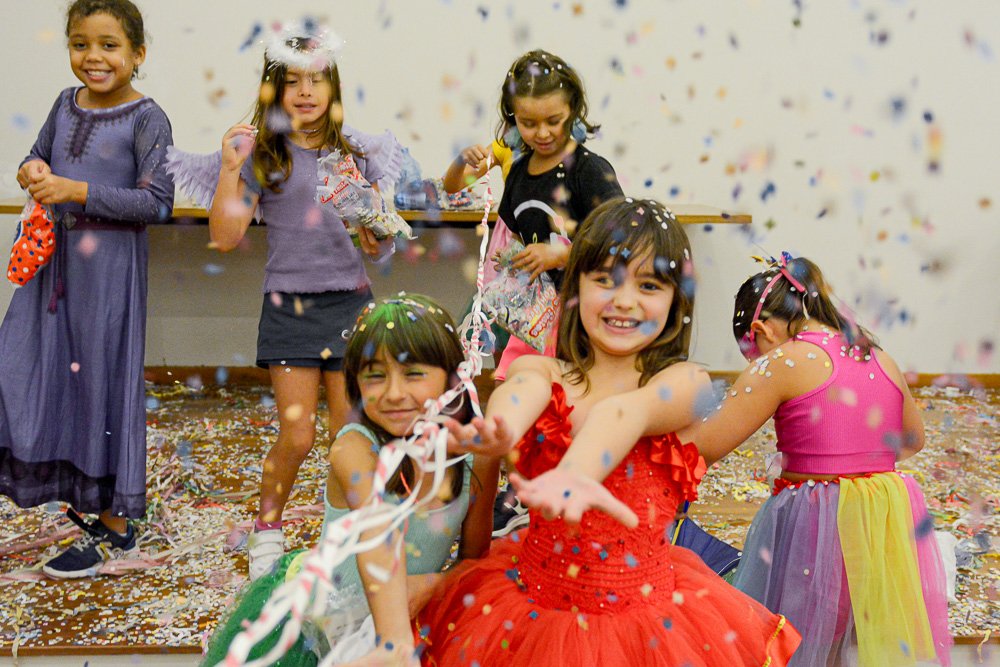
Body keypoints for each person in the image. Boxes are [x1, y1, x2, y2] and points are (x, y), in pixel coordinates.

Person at [415, 198, 801, 666]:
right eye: (604, 279)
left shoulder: (685, 382)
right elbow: (521, 390)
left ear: (675, 300)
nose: (624, 300)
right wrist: (502, 427)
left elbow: (625, 413)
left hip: (648, 629)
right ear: (575, 286)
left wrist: (576, 473)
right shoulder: (543, 371)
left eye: (648, 285)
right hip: (536, 614)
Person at [207, 22, 404, 579]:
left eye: (316, 80)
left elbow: (382, 242)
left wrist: (379, 239)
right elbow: (225, 236)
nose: (305, 91)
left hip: (351, 307)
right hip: (289, 309)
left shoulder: (355, 153)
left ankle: (346, 531)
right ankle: (267, 529)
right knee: (297, 434)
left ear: (333, 87)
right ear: (275, 91)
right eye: (292, 82)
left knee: (349, 435)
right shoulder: (265, 156)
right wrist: (228, 169)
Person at [687, 254, 949, 666]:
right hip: (881, 524)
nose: (754, 363)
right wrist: (853, 457)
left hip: (817, 523)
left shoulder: (783, 361)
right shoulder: (877, 355)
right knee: (841, 639)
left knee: (797, 638)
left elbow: (704, 445)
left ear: (761, 331)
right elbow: (913, 439)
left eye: (751, 353)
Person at [201, 294, 478, 667]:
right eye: (375, 375)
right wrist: (394, 639)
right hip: (313, 630)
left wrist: (431, 585)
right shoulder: (353, 449)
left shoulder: (474, 459)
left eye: (413, 373)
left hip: (410, 619)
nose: (394, 393)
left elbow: (475, 562)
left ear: (452, 377)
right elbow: (379, 531)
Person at [0, 0, 173, 578]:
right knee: (34, 368)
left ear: (137, 54)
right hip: (56, 267)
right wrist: (30, 170)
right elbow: (37, 156)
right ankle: (75, 493)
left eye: (108, 45)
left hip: (109, 273)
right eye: (80, 44)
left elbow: (156, 203)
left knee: (102, 381)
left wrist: (75, 191)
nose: (93, 57)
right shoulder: (63, 103)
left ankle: (116, 527)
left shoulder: (148, 118)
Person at [444, 49, 624, 537]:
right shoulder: (520, 166)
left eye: (554, 121)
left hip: (578, 316)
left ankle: (557, 491)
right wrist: (463, 162)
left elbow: (621, 236)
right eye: (528, 123)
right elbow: (453, 186)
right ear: (511, 118)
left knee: (563, 408)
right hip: (530, 316)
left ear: (575, 111)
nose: (541, 133)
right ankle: (520, 491)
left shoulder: (589, 170)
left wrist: (560, 256)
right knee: (512, 400)